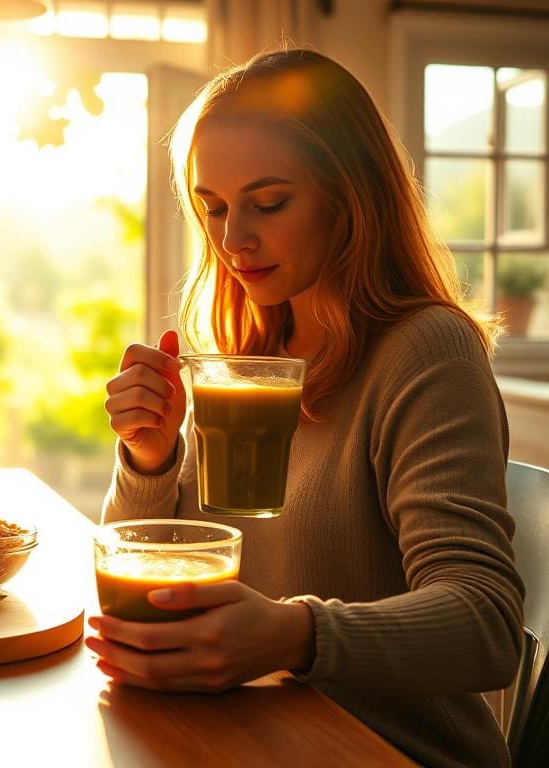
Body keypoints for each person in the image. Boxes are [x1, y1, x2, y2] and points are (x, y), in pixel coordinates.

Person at [90, 48, 524, 768]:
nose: (234, 241)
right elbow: (157, 585)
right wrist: (150, 456)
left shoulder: (426, 350)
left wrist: (297, 635)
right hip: (258, 741)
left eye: (268, 203)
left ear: (350, 196)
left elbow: (485, 624)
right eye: (215, 209)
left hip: (393, 753)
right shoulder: (250, 358)